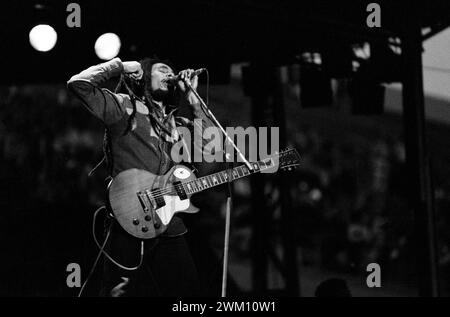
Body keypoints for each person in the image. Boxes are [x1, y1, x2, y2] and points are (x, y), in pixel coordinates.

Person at [67, 56, 214, 296]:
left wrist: (196, 104)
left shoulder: (181, 124)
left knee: (189, 294)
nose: (170, 74)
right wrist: (121, 66)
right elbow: (78, 84)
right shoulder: (124, 107)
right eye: (162, 69)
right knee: (119, 292)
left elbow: (207, 165)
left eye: (171, 71)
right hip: (128, 218)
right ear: (143, 76)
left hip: (169, 225)